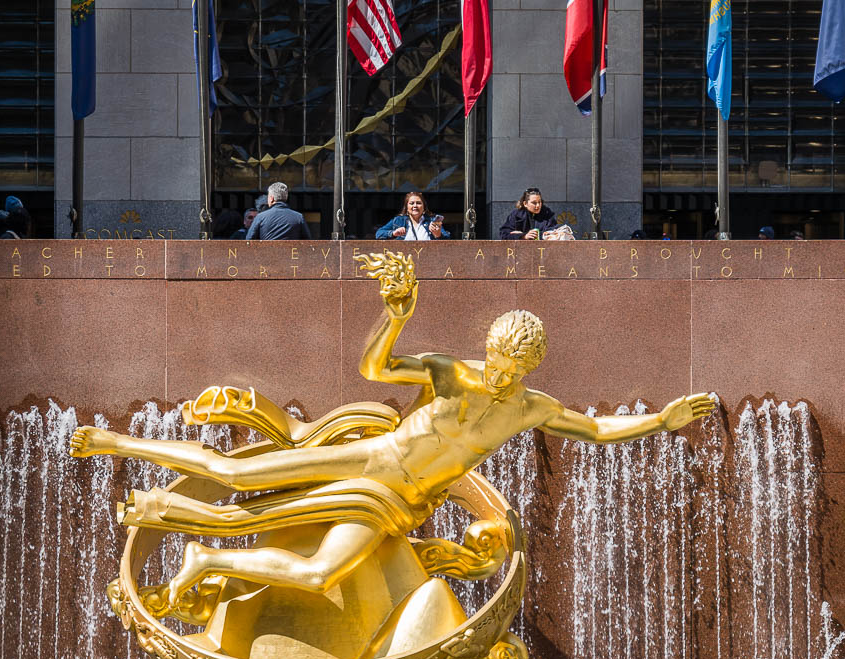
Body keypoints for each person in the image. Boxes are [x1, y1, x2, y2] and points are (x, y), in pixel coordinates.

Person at [70, 252, 715, 611]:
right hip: (369, 459)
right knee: (234, 473)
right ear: (486, 352)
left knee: (322, 573)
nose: (501, 374)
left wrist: (661, 419)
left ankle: (206, 560)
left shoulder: (532, 408)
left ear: (530, 368)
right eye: (496, 361)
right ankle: (118, 443)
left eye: (514, 368)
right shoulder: (449, 372)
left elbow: (599, 429)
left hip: (397, 504)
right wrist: (394, 314)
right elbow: (374, 367)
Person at [244, 182, 311, 240]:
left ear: (271, 198)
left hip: (266, 254)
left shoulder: (260, 217)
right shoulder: (298, 217)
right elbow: (308, 240)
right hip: (291, 254)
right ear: (286, 197)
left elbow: (249, 240)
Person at [375, 192, 448, 241]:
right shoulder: (398, 220)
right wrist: (394, 233)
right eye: (411, 203)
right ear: (407, 207)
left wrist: (438, 235)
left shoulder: (432, 220)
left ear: (424, 207)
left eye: (418, 203)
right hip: (404, 261)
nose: (415, 206)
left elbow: (448, 241)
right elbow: (379, 233)